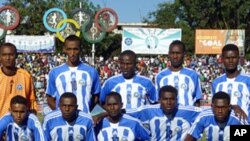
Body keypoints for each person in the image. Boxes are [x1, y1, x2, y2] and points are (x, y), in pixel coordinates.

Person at [46, 35, 101, 113]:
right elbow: (50, 98)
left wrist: (87, 112)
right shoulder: (55, 72)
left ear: (80, 50)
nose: (72, 53)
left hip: (83, 119)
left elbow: (96, 97)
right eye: (69, 49)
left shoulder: (91, 71)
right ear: (64, 50)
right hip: (62, 119)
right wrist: (61, 113)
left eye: (75, 49)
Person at [126, 85, 201, 140]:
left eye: (172, 99)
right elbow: (125, 112)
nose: (169, 102)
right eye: (165, 99)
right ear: (159, 100)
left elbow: (206, 112)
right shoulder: (148, 110)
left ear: (176, 100)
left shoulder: (187, 111)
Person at [155, 40, 202, 106]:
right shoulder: (160, 76)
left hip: (187, 115)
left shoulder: (192, 75)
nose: (175, 56)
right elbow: (157, 101)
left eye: (178, 53)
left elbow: (197, 101)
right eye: (172, 53)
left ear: (183, 54)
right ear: (169, 54)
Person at [212, 44, 250, 121]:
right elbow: (214, 106)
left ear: (239, 58)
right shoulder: (216, 82)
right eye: (227, 58)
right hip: (222, 127)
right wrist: (233, 106)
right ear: (222, 59)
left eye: (234, 57)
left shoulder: (248, 80)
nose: (230, 61)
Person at [0, 43, 36, 117]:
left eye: (11, 55)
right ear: (0, 57)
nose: (7, 58)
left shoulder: (26, 76)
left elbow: (31, 101)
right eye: (4, 55)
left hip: (21, 125)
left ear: (16, 56)